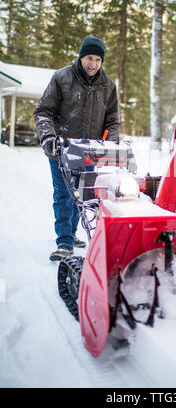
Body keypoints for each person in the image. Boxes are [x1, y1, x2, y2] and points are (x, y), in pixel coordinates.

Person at [34, 35, 120, 261]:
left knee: (82, 196)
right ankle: (64, 241)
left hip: (90, 152)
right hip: (61, 149)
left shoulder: (108, 86)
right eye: (89, 58)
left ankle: (71, 234)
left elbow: (112, 120)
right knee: (64, 194)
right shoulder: (62, 78)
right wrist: (49, 139)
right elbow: (43, 112)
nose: (93, 64)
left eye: (98, 60)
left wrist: (111, 143)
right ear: (82, 57)